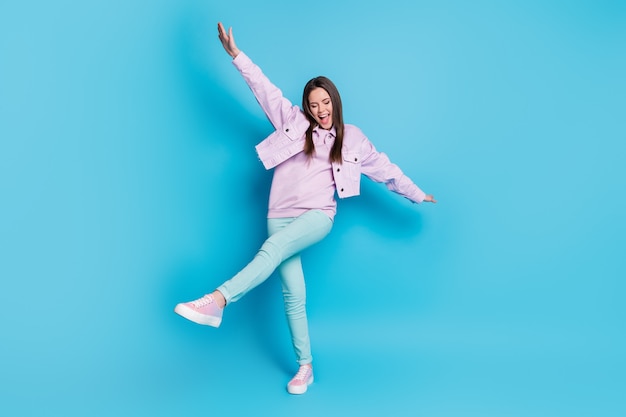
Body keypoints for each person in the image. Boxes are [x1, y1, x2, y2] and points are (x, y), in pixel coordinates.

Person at [174, 22, 437, 395]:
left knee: (274, 249)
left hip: (318, 215)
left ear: (335, 101)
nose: (320, 110)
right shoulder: (292, 121)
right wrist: (236, 55)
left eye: (325, 103)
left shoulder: (353, 138)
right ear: (307, 107)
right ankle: (305, 367)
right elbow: (263, 89)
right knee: (293, 294)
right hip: (278, 214)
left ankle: (217, 300)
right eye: (314, 105)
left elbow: (383, 169)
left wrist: (416, 193)